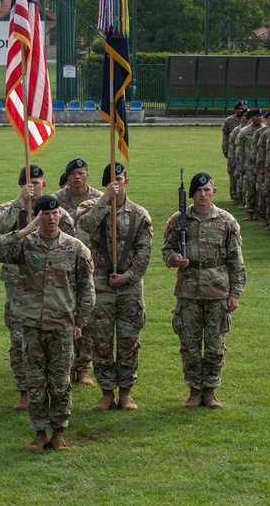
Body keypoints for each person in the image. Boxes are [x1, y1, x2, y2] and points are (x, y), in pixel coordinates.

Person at [0, 194, 95, 452]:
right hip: (33, 326)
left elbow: (86, 289)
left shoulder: (75, 247)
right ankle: (39, 433)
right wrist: (23, 230)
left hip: (61, 326)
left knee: (60, 383)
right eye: (44, 214)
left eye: (54, 213)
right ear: (38, 216)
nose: (50, 218)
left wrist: (79, 322)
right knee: (35, 383)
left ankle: (58, 433)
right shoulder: (26, 245)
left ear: (60, 215)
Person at [0, 164, 74, 410]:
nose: (32, 186)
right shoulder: (10, 208)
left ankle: (54, 386)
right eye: (27, 183)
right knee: (19, 341)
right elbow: (0, 228)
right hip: (18, 285)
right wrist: (19, 201)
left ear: (44, 184)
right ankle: (24, 391)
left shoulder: (56, 211)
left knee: (53, 339)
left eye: (36, 182)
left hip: (51, 286)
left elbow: (71, 239)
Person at [162, 173, 246, 409]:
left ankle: (210, 391)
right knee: (189, 345)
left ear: (214, 192)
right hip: (188, 292)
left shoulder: (226, 221)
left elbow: (236, 261)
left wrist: (235, 293)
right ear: (192, 194)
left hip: (217, 291)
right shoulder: (179, 220)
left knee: (215, 345)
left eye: (207, 190)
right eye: (198, 191)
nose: (203, 195)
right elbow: (166, 250)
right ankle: (194, 391)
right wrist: (174, 258)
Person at [75, 162, 153, 411]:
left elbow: (144, 251)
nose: (115, 183)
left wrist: (128, 277)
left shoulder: (139, 214)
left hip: (129, 286)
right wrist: (105, 199)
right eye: (110, 180)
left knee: (129, 341)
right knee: (102, 340)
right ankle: (107, 391)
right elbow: (85, 226)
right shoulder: (92, 208)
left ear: (126, 182)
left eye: (119, 179)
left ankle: (127, 391)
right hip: (102, 283)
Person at [53, 158, 103, 386]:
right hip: (62, 266)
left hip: (90, 265)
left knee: (86, 318)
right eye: (73, 173)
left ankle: (83, 368)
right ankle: (66, 365)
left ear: (87, 174)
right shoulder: (56, 200)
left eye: (81, 173)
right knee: (63, 317)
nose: (77, 177)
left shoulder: (100, 198)